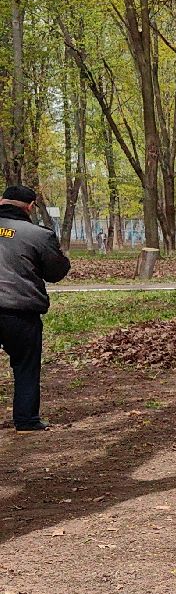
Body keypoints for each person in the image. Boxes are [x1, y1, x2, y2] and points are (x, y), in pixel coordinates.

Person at [0, 184, 71, 431]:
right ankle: (26, 419)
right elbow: (57, 272)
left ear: (1, 201)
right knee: (25, 365)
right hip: (20, 312)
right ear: (30, 207)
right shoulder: (38, 235)